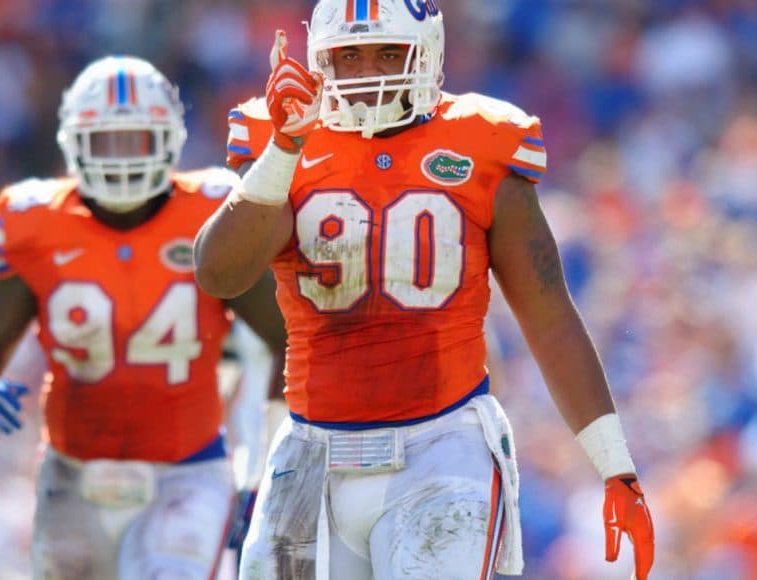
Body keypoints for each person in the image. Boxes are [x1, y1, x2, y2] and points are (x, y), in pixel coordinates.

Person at [194, 1, 655, 578]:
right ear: (319, 63)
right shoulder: (285, 139)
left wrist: (615, 465)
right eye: (349, 56)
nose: (369, 73)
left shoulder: (482, 142)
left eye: (389, 52)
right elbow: (219, 275)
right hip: (310, 451)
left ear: (429, 52)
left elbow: (548, 314)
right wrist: (284, 148)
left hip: (442, 447)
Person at [0, 55, 287, 579]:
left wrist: (263, 465)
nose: (122, 158)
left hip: (187, 471)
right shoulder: (33, 220)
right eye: (107, 140)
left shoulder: (212, 211)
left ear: (170, 140)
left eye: (136, 139)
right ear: (73, 143)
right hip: (73, 474)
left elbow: (284, 340)